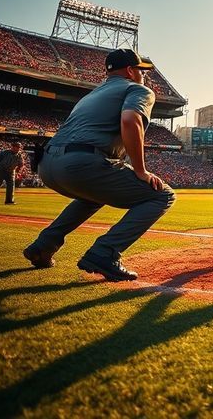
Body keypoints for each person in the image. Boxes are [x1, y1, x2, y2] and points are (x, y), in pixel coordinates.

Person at [22, 49, 176, 281]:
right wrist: (140, 170)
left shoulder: (91, 95)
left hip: (47, 165)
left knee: (92, 196)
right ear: (130, 71)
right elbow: (130, 120)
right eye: (141, 71)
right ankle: (104, 253)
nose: (144, 77)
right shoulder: (138, 89)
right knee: (162, 195)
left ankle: (44, 246)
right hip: (80, 163)